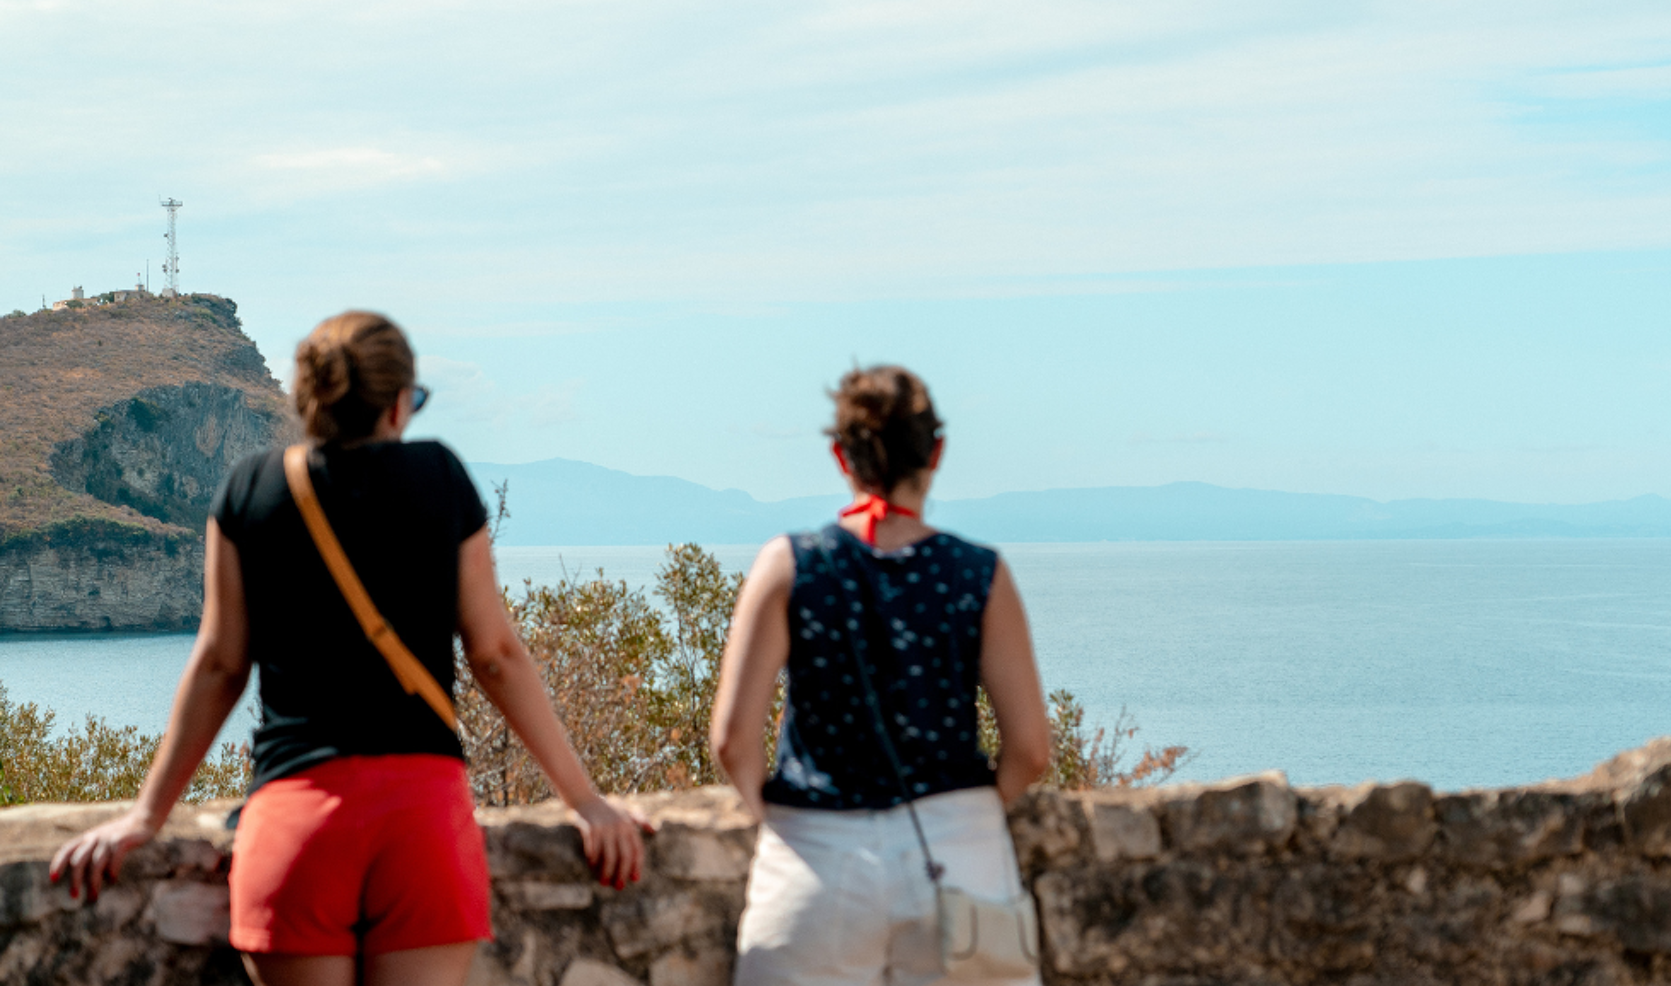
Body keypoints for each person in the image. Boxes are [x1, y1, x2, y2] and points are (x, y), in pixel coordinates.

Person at [49, 311, 648, 986]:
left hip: (296, 818)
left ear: (307, 401)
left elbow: (220, 664)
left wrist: (145, 814)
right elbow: (495, 656)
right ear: (398, 403)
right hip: (422, 814)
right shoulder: (441, 476)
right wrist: (586, 801)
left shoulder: (250, 488)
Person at [712, 364, 1053, 986]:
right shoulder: (979, 573)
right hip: (959, 858)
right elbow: (1030, 748)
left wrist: (788, 823)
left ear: (843, 456)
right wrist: (969, 812)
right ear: (937, 453)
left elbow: (733, 742)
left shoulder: (789, 565)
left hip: (817, 858)